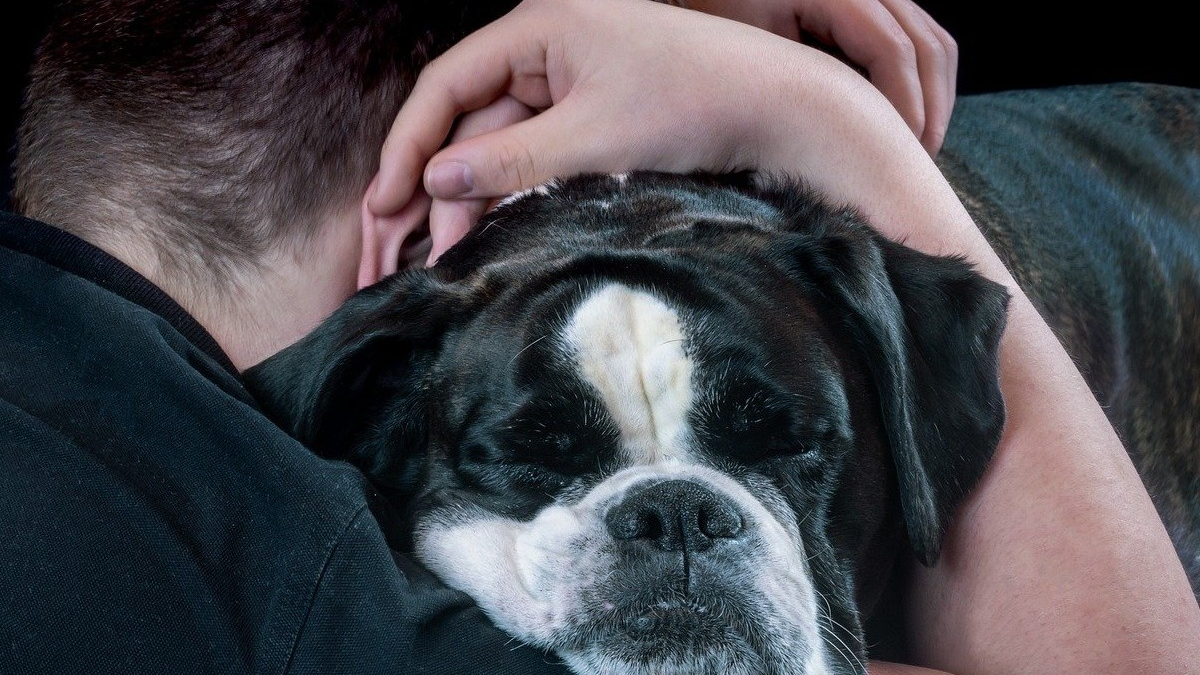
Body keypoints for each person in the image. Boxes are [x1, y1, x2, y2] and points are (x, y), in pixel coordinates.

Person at [0, 6, 1194, 675]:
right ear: (425, 195)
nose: (679, 524)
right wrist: (823, 115)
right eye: (533, 447)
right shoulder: (304, 591)